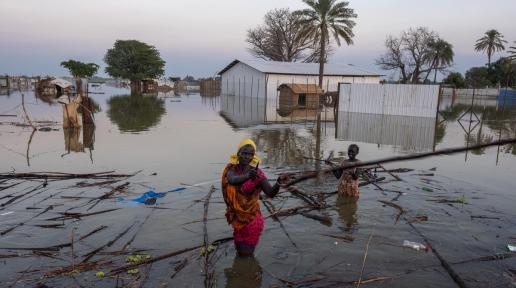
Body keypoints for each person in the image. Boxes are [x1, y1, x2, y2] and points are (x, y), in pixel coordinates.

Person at [221, 139, 283, 257]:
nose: (247, 157)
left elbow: (270, 193)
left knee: (245, 257)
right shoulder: (231, 169)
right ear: (238, 153)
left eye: (250, 154)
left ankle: (251, 273)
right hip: (237, 220)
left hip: (251, 221)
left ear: (253, 156)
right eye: (244, 153)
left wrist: (278, 183)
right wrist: (247, 176)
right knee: (240, 254)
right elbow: (232, 180)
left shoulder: (258, 173)